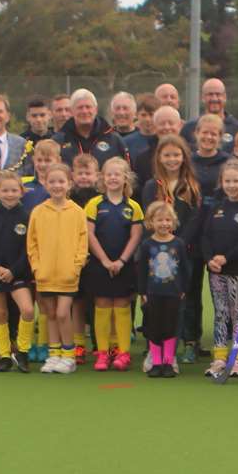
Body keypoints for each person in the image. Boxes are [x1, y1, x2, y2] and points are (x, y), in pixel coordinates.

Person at [143, 133, 206, 363]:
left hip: (186, 251)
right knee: (156, 300)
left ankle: (190, 342)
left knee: (189, 297)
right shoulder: (152, 186)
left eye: (176, 155)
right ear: (159, 157)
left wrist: (178, 243)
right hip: (157, 254)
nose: (172, 159)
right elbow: (148, 217)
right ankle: (155, 344)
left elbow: (196, 219)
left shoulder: (192, 186)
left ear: (184, 157)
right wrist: (161, 244)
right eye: (167, 154)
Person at [201, 161, 238, 378]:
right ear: (221, 182)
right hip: (217, 271)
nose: (232, 185)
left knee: (237, 314)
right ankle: (219, 358)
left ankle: (237, 359)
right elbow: (206, 236)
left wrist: (226, 257)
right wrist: (210, 259)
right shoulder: (217, 207)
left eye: (236, 180)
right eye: (227, 181)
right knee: (220, 313)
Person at [82, 158, 143, 371]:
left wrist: (122, 261)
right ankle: (103, 353)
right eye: (109, 174)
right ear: (102, 178)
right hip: (101, 265)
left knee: (122, 305)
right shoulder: (94, 204)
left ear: (126, 178)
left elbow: (135, 236)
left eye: (118, 174)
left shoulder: (133, 207)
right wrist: (106, 261)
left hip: (124, 265)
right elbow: (89, 234)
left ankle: (123, 352)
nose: (113, 178)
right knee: (102, 305)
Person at [28, 163, 88, 373]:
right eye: (52, 181)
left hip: (68, 274)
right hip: (45, 274)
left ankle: (69, 355)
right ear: (45, 183)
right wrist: (36, 267)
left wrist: (76, 265)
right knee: (50, 313)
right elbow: (32, 243)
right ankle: (54, 355)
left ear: (69, 184)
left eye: (61, 181)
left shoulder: (77, 211)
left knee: (63, 313)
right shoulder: (38, 211)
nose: (57, 185)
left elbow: (83, 241)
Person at [0, 173, 37, 373]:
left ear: (21, 192)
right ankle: (4, 355)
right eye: (5, 190)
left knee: (28, 310)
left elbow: (28, 249)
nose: (9, 194)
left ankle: (22, 351)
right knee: (0, 313)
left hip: (18, 273)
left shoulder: (26, 216)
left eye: (14, 190)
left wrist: (13, 271)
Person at [136, 202, 191, 377]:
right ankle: (156, 362)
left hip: (173, 293)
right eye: (159, 220)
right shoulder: (147, 245)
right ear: (151, 222)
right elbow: (142, 271)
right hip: (153, 294)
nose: (164, 224)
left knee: (170, 327)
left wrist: (183, 289)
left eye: (168, 220)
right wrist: (142, 292)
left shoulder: (179, 243)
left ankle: (168, 361)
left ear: (173, 222)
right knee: (154, 328)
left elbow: (185, 268)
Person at [57, 89, 128, 166]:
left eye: (88, 107)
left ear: (96, 110)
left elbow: (127, 172)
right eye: (80, 107)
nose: (84, 111)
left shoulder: (114, 140)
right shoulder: (59, 140)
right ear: (72, 111)